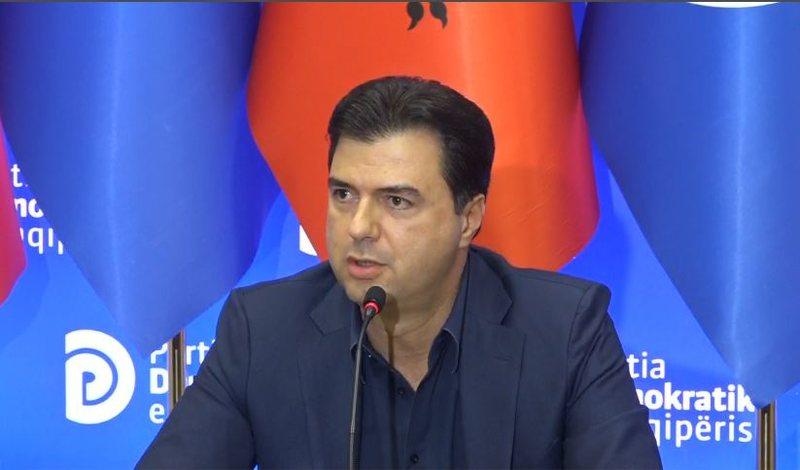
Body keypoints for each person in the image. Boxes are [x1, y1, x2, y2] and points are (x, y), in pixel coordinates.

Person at [138, 76, 661, 469]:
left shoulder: (564, 331)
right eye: (344, 194)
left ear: (468, 218)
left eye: (397, 201)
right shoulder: (263, 329)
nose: (359, 227)